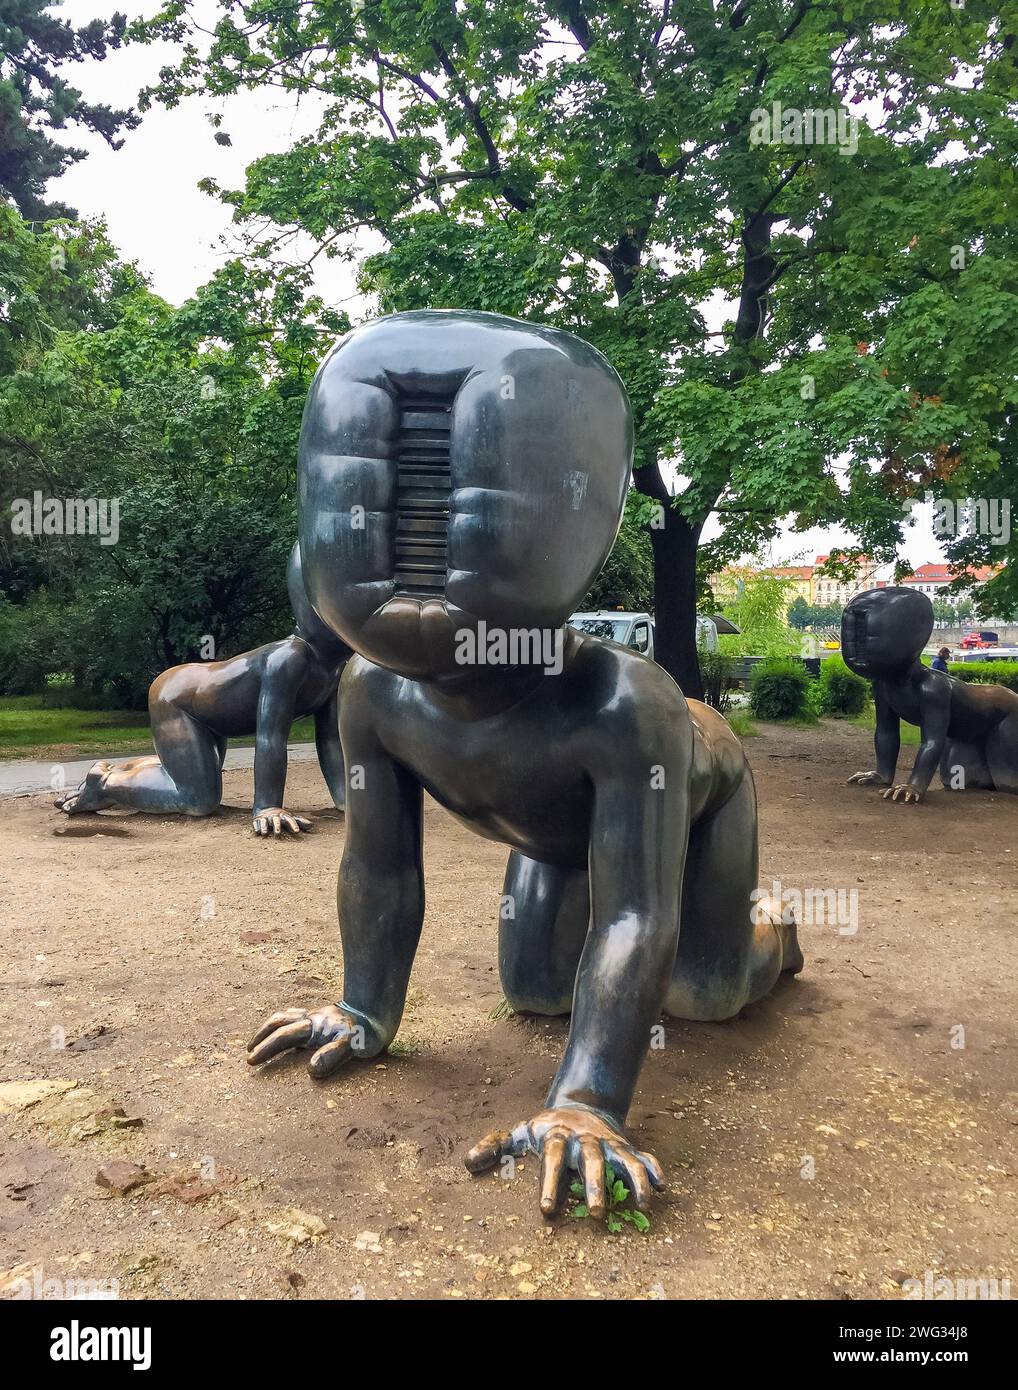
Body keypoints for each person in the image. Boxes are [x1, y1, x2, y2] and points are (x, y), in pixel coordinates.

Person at [246, 310, 802, 1220]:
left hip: (700, 801)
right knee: (537, 990)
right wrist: (364, 1009)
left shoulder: (627, 709)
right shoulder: (371, 694)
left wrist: (586, 1101)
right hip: (550, 833)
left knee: (707, 994)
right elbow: (378, 865)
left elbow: (632, 910)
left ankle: (771, 929)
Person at [55, 544, 350, 835]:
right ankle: (104, 783)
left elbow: (331, 740)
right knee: (198, 799)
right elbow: (270, 737)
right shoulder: (291, 657)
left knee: (193, 782)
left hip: (211, 711)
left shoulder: (337, 665)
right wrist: (267, 806)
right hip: (179, 698)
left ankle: (137, 770)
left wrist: (346, 801)